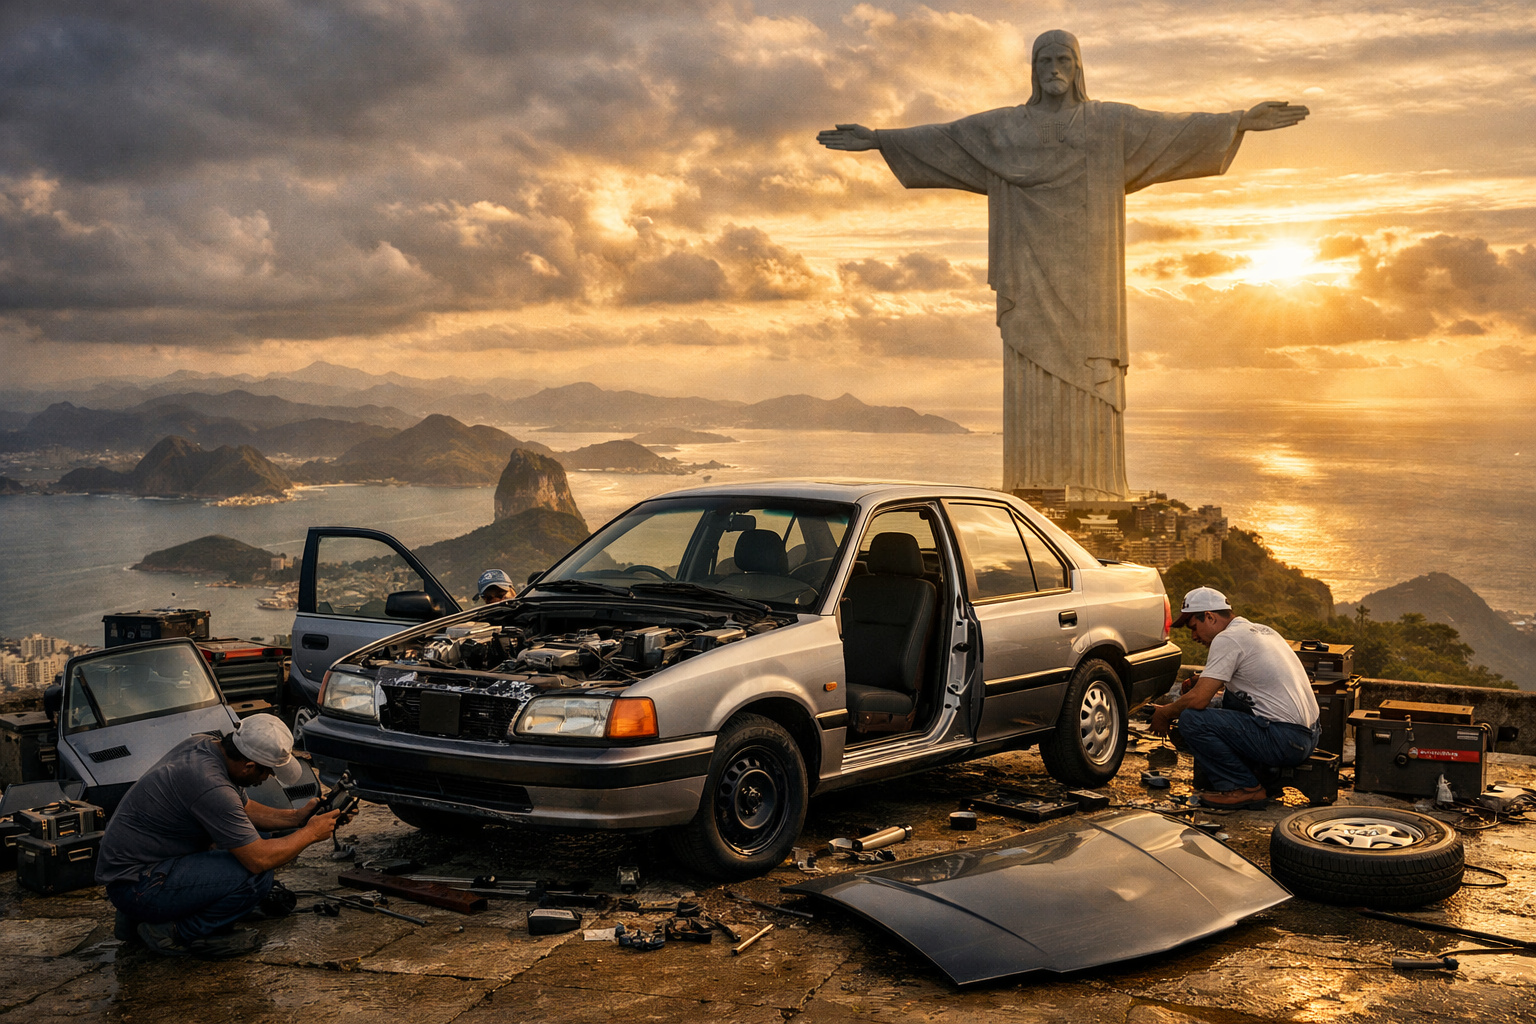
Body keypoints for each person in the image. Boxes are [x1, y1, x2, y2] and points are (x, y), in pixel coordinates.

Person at [817, 30, 1307, 498]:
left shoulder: (1109, 124)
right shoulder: (1003, 128)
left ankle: (1097, 485)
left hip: (1092, 285)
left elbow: (1171, 129)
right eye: (1044, 61)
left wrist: (1238, 120)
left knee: (1091, 374)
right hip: (1027, 273)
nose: (1054, 69)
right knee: (1031, 367)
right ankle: (1030, 483)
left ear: (1078, 69)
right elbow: (947, 138)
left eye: (1063, 60)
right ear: (1033, 70)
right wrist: (882, 138)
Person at [97, 713, 343, 958]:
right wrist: (311, 834)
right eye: (267, 772)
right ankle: (173, 932)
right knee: (255, 876)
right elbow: (259, 860)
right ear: (248, 766)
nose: (267, 778)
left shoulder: (204, 746)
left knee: (261, 841)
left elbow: (243, 809)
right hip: (139, 886)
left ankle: (135, 918)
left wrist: (298, 818)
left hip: (135, 873)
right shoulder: (210, 785)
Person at [1150, 587, 1321, 809]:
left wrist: (1165, 713)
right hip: (1310, 736)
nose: (1194, 636)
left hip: (1286, 740)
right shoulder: (1263, 630)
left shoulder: (1227, 639)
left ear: (1209, 617)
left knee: (1192, 720)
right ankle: (1261, 778)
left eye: (1194, 627)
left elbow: (1198, 700)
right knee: (1229, 699)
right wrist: (1200, 681)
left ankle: (1244, 789)